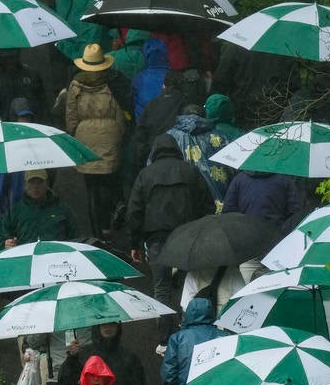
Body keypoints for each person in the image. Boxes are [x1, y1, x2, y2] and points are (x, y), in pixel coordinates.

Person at [126, 134, 215, 347]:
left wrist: (134, 243)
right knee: (189, 285)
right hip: (188, 236)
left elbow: (134, 211)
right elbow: (207, 205)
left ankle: (165, 339)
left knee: (162, 288)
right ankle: (189, 335)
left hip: (158, 238)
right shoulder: (190, 171)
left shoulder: (145, 175)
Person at [66, 43, 130, 240]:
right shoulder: (111, 83)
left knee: (92, 189)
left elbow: (71, 117)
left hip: (84, 140)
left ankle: (98, 232)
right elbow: (120, 113)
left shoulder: (75, 85)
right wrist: (118, 134)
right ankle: (113, 216)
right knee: (111, 182)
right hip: (110, 138)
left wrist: (75, 135)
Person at [58, 323, 149, 385]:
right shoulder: (85, 354)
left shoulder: (129, 357)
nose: (107, 327)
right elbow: (66, 381)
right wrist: (72, 358)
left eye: (112, 324)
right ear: (97, 326)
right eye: (103, 324)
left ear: (118, 327)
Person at [0, 169, 78, 254]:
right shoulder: (14, 211)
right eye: (31, 182)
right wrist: (5, 244)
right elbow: (0, 239)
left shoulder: (62, 209)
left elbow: (75, 238)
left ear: (47, 183)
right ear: (25, 185)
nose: (35, 187)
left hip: (57, 257)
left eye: (39, 182)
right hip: (24, 259)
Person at [167, 104, 234, 207]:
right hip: (217, 200)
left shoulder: (169, 136)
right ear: (204, 116)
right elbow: (232, 167)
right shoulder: (220, 137)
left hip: (181, 198)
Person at [0, 49, 48, 123]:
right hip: (0, 122)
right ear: (0, 59)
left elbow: (42, 102)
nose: (10, 61)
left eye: (12, 57)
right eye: (5, 58)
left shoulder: (31, 74)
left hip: (27, 122)